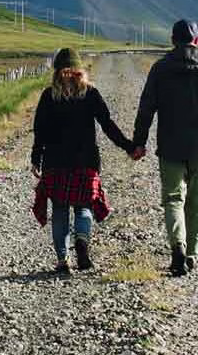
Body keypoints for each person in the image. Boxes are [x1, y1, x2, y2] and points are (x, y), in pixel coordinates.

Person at [130, 19, 198, 277]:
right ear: (196, 40)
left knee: (173, 200)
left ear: (173, 41)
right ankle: (192, 255)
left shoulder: (160, 69)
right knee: (196, 204)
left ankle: (178, 246)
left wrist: (139, 142)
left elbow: (146, 109)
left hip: (170, 147)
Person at [31, 47, 134, 276]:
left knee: (59, 211)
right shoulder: (90, 93)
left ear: (56, 71)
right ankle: (82, 242)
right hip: (85, 163)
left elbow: (40, 131)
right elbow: (108, 125)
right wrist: (129, 146)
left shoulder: (48, 96)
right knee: (84, 207)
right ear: (80, 70)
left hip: (55, 163)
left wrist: (36, 159)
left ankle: (63, 260)